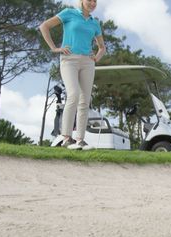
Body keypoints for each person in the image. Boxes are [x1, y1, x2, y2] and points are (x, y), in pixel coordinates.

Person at [39, 0, 106, 150]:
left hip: (88, 63)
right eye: (90, 0)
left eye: (95, 1)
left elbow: (102, 47)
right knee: (73, 94)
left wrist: (96, 58)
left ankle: (80, 140)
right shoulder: (69, 13)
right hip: (69, 60)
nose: (93, 3)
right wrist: (54, 48)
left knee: (84, 101)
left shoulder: (94, 23)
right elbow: (44, 26)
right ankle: (66, 138)